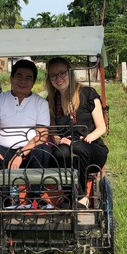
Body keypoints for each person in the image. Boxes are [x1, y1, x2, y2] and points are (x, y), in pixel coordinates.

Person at [45, 57, 108, 208]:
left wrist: (83, 139)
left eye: (62, 73)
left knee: (76, 148)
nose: (58, 79)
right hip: (66, 146)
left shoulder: (87, 93)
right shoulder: (52, 99)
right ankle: (72, 198)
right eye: (53, 75)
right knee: (60, 152)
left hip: (91, 146)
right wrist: (59, 140)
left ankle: (81, 197)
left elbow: (101, 127)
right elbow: (53, 131)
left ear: (70, 73)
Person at [0, 59, 51, 181]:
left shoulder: (41, 103)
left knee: (43, 151)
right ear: (11, 78)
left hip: (29, 152)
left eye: (28, 78)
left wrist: (20, 154)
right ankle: (5, 196)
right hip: (4, 152)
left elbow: (42, 136)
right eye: (19, 76)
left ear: (33, 82)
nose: (23, 81)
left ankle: (34, 195)